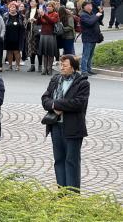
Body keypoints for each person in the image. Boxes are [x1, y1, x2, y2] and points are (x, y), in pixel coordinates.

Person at [41, 55, 89, 193]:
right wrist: (53, 105)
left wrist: (57, 104)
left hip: (73, 128)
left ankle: (72, 195)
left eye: (65, 65)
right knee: (59, 160)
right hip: (55, 126)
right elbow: (45, 98)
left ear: (73, 67)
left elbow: (78, 103)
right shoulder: (56, 80)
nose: (61, 67)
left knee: (71, 162)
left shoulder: (82, 83)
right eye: (60, 65)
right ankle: (62, 193)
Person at [80, 1, 103, 75]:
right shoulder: (83, 15)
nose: (91, 6)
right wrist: (96, 16)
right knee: (86, 55)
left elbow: (99, 20)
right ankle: (84, 71)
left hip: (94, 37)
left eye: (91, 5)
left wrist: (101, 12)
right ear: (84, 7)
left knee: (90, 55)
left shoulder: (92, 13)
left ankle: (89, 69)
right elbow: (90, 22)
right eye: (88, 5)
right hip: (88, 38)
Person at [37, 1, 59, 75]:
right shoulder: (44, 14)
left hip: (51, 35)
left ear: (53, 7)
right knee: (44, 53)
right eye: (47, 6)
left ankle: (50, 69)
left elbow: (52, 21)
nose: (48, 7)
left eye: (50, 6)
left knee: (50, 53)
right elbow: (39, 23)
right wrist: (39, 16)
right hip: (43, 34)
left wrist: (44, 15)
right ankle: (44, 68)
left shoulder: (55, 14)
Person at [3, 2, 25, 71]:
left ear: (16, 8)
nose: (12, 8)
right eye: (11, 7)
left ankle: (18, 66)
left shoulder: (20, 16)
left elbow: (23, 25)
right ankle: (10, 66)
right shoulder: (5, 15)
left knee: (16, 51)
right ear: (9, 8)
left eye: (14, 7)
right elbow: (3, 25)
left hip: (17, 35)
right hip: (8, 35)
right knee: (9, 51)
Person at [25, 0, 42, 72]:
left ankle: (40, 66)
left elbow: (43, 20)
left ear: (37, 3)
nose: (32, 2)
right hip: (29, 32)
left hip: (37, 32)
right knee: (31, 49)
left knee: (38, 48)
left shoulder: (39, 11)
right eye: (31, 1)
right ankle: (32, 66)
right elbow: (24, 21)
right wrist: (28, 20)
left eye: (33, 1)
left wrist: (36, 20)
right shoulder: (28, 11)